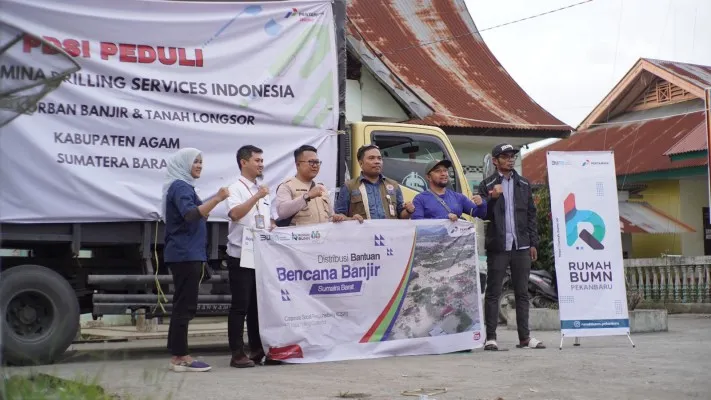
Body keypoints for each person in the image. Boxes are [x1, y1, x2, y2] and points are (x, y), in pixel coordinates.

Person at [161, 147, 230, 372]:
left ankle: (177, 353)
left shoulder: (183, 186)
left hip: (186, 253)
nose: (199, 165)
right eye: (195, 162)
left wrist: (209, 206)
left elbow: (196, 214)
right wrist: (218, 198)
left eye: (201, 161)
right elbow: (190, 215)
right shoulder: (180, 186)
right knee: (185, 306)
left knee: (182, 303)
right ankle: (181, 357)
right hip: (185, 254)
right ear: (184, 164)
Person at [478, 143, 544, 350]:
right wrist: (491, 198)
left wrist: (533, 242)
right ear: (495, 160)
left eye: (512, 156)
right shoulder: (487, 184)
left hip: (521, 246)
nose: (510, 159)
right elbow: (482, 214)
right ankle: (491, 338)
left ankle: (525, 338)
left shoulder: (523, 184)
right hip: (498, 246)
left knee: (522, 292)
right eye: (505, 156)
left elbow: (531, 215)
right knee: (493, 292)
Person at [224, 145, 279, 368]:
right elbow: (235, 214)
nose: (261, 165)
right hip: (240, 254)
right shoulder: (235, 188)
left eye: (262, 161)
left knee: (257, 306)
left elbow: (267, 219)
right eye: (257, 160)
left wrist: (271, 225)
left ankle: (257, 349)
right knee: (240, 305)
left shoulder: (262, 190)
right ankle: (236, 352)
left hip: (260, 254)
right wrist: (257, 196)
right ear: (243, 162)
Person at [333, 144, 415, 221]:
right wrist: (351, 220)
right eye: (371, 158)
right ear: (361, 163)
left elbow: (401, 216)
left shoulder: (393, 185)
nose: (377, 161)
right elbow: (339, 216)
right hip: (362, 235)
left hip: (389, 235)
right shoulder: (349, 186)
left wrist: (408, 211)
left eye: (379, 158)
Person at [274, 145, 346, 226]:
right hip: (299, 237)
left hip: (323, 236)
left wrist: (335, 218)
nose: (315, 166)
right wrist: (307, 196)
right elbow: (282, 212)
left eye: (317, 162)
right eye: (311, 162)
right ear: (298, 165)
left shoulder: (321, 188)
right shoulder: (287, 186)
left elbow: (329, 217)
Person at [411, 159, 487, 221]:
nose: (443, 173)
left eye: (445, 170)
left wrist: (481, 204)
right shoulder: (420, 199)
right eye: (438, 171)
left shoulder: (458, 197)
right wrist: (444, 219)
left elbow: (479, 214)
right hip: (432, 240)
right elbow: (417, 224)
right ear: (428, 177)